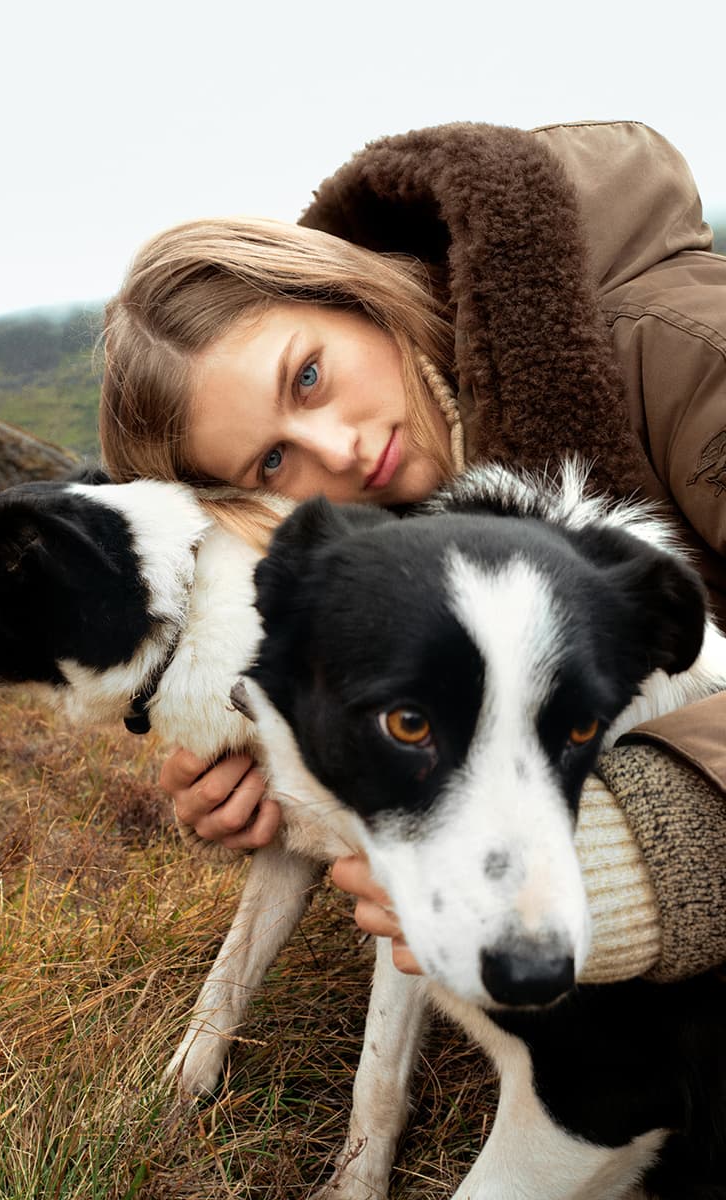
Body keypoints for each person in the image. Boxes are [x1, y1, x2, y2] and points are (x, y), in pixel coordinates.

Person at [99, 119, 726, 985]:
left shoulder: (683, 348)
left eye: (308, 376)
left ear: (347, 290)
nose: (341, 450)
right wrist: (284, 762)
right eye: (275, 462)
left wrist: (669, 835)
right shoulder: (396, 542)